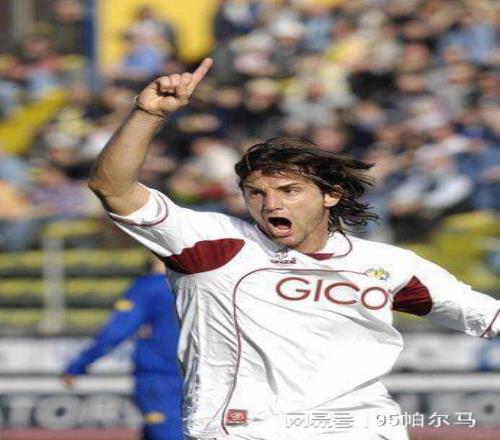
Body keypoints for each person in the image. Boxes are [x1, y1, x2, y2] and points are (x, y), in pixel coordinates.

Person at [87, 58, 499, 440]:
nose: (271, 204)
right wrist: (148, 114)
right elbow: (113, 189)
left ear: (331, 195)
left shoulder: (387, 264)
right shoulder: (210, 243)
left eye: (289, 190)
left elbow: (486, 315)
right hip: (245, 431)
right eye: (256, 193)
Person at [61, 258, 183, 440]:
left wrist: (77, 365)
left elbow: (116, 331)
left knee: (169, 432)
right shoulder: (198, 283)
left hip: (160, 375)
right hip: (197, 372)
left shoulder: (149, 286)